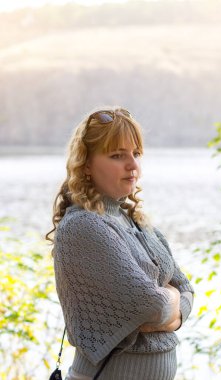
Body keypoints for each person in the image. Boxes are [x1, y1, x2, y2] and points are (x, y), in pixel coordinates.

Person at [46, 106, 194, 380]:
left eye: (136, 154)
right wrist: (169, 305)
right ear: (86, 164)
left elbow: (186, 289)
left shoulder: (136, 222)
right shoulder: (84, 226)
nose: (132, 165)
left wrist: (165, 314)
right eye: (117, 155)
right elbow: (152, 305)